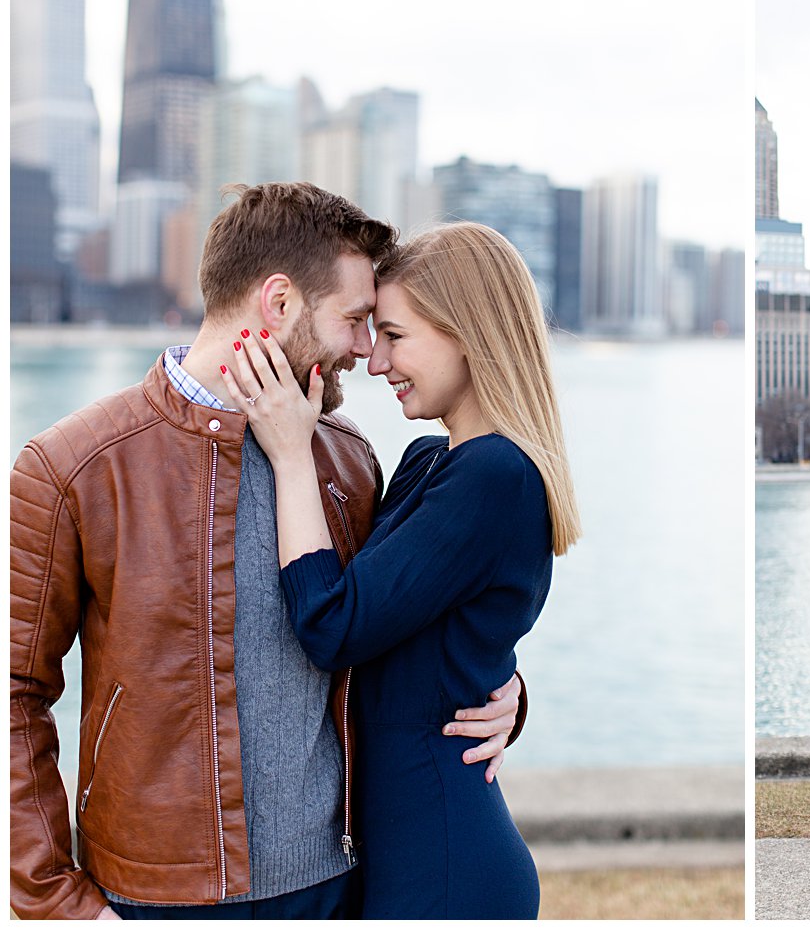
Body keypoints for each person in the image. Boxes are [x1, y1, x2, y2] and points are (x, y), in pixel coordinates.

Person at [11, 183, 522, 920]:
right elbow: (15, 692)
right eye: (353, 320)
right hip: (153, 900)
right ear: (278, 304)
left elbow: (399, 622)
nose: (364, 351)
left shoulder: (348, 461)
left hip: (344, 886)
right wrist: (58, 899)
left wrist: (503, 692)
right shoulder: (73, 467)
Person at [219, 220, 580, 918]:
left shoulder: (497, 475)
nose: (376, 360)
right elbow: (414, 631)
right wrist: (506, 688)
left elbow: (333, 623)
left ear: (468, 332)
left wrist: (293, 454)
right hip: (392, 856)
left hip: (445, 867)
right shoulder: (427, 464)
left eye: (395, 334)